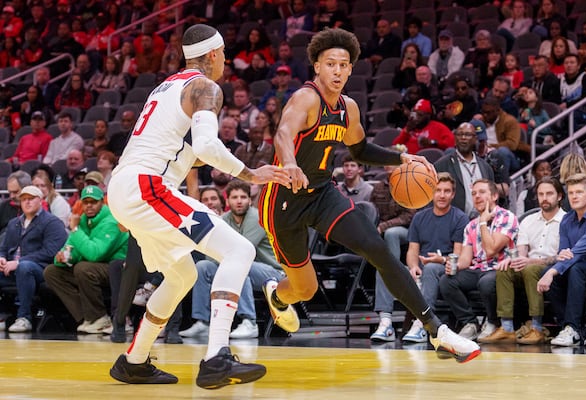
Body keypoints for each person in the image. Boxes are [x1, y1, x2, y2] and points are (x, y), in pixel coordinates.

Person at [259, 28, 480, 363]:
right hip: (284, 201)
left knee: (377, 248)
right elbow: (284, 132)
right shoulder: (306, 98)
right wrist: (289, 163)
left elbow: (359, 149)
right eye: (329, 63)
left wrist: (401, 157)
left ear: (350, 70)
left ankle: (437, 331)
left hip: (321, 194)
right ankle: (277, 296)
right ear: (317, 67)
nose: (336, 70)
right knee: (305, 289)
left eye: (343, 65)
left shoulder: (348, 107)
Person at [106, 24, 290, 388]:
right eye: (223, 53)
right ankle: (217, 357)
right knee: (238, 249)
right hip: (147, 186)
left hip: (127, 186)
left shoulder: (168, 86)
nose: (224, 60)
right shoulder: (205, 87)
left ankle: (134, 360)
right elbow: (206, 146)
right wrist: (251, 173)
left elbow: (185, 152)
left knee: (183, 276)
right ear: (211, 55)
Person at [371, 173, 469, 343]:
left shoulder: (460, 218)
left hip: (442, 268)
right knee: (385, 268)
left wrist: (441, 260)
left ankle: (422, 325)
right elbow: (412, 251)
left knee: (430, 269)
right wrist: (413, 266)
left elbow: (457, 255)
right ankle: (386, 323)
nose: (442, 195)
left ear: (453, 194)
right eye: (438, 190)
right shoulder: (420, 217)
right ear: (431, 193)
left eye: (447, 191)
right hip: (422, 267)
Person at [180, 180, 284, 339]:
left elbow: (242, 253)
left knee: (239, 266)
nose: (239, 200)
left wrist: (222, 253)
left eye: (243, 197)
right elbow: (210, 254)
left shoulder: (257, 218)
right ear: (227, 201)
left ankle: (250, 322)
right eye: (235, 197)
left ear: (250, 200)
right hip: (238, 267)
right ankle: (203, 322)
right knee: (203, 266)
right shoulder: (223, 219)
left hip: (272, 274)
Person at [482, 176, 565, 344]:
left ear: (560, 196)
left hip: (555, 268)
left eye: (549, 194)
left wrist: (529, 262)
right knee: (504, 269)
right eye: (541, 194)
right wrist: (511, 261)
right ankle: (506, 327)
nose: (544, 198)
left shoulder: (566, 220)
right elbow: (521, 254)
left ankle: (537, 327)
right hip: (529, 266)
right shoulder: (528, 220)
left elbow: (562, 257)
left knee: (529, 269)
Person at [439, 179, 518, 341]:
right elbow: (465, 260)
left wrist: (483, 221)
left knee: (486, 282)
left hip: (500, 270)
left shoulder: (506, 217)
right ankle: (470, 323)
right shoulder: (471, 226)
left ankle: (492, 322)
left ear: (495, 196)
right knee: (447, 281)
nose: (477, 197)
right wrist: (451, 265)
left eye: (482, 192)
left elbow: (491, 250)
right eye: (474, 193)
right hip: (478, 270)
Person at [44, 185, 129, 334]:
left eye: (93, 202)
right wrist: (63, 258)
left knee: (83, 268)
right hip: (94, 268)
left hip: (118, 268)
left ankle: (99, 318)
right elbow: (71, 249)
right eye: (86, 202)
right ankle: (89, 318)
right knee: (52, 271)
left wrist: (75, 230)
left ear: (102, 203)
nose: (89, 205)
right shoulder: (82, 220)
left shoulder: (111, 221)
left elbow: (95, 254)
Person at [537, 173, 586, 346]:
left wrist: (552, 271)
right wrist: (555, 265)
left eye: (579, 192)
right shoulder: (567, 219)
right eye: (571, 192)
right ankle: (569, 327)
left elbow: (578, 252)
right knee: (555, 272)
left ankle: (573, 327)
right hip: (576, 265)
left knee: (571, 269)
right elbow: (564, 253)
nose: (574, 196)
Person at [0, 186, 67, 332]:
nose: (27, 202)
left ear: (40, 200)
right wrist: (2, 258)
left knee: (24, 267)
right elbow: (3, 247)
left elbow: (50, 252)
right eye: (24, 199)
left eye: (31, 199)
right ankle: (2, 314)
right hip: (12, 267)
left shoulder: (52, 222)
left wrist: (17, 263)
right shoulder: (14, 223)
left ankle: (24, 318)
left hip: (41, 269)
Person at [0, 171, 32, 242]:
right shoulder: (3, 206)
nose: (11, 196)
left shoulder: (38, 208)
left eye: (15, 192)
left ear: (27, 188)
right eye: (10, 192)